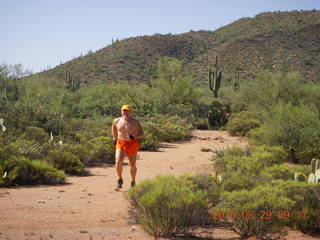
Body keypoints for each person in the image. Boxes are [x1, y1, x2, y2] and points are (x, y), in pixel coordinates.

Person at [112, 105, 144, 190]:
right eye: (124, 111)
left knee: (132, 165)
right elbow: (114, 128)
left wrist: (134, 136)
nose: (125, 112)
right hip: (121, 143)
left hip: (132, 144)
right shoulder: (116, 121)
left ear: (130, 112)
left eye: (127, 111)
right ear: (121, 111)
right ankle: (120, 179)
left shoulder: (135, 122)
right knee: (118, 162)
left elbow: (141, 133)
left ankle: (133, 181)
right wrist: (114, 138)